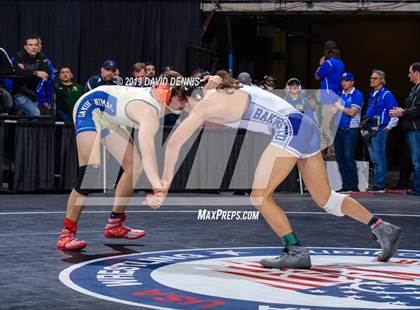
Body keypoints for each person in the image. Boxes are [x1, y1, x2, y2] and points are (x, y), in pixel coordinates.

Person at [145, 75, 401, 269]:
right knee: (325, 198)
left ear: (180, 99)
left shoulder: (205, 102)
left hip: (289, 129)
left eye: (175, 109)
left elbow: (176, 142)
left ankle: (295, 250)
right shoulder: (218, 88)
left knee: (259, 196)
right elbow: (213, 83)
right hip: (304, 126)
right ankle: (381, 227)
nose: (180, 113)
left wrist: (164, 183)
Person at [56, 71, 222, 251]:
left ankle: (115, 223)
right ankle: (66, 234)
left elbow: (192, 97)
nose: (185, 102)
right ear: (168, 96)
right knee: (89, 174)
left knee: (134, 166)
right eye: (182, 98)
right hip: (90, 107)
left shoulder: (172, 96)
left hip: (109, 115)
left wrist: (209, 84)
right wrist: (157, 186)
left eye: (186, 97)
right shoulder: (148, 113)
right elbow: (149, 153)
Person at [365, 69, 399, 193]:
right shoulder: (372, 95)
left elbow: (394, 111)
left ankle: (379, 185)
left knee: (379, 158)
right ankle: (377, 183)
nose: (371, 80)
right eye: (371, 78)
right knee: (374, 159)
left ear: (382, 81)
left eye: (374, 78)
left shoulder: (386, 94)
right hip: (371, 129)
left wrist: (389, 127)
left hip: (380, 129)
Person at [390, 62, 420, 196]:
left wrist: (402, 112)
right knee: (414, 160)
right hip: (410, 130)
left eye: (410, 72)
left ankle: (418, 189)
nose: (408, 75)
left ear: (416, 72)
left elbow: (417, 110)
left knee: (416, 161)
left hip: (416, 130)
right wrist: (401, 111)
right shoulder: (414, 89)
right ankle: (416, 187)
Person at [333, 73, 364, 192]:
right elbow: (334, 110)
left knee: (348, 157)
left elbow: (352, 112)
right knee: (340, 158)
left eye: (346, 81)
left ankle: (354, 186)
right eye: (342, 80)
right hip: (339, 129)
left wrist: (340, 107)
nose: (343, 83)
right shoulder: (340, 94)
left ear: (352, 82)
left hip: (351, 129)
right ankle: (346, 185)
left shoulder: (357, 94)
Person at [12, 35, 50, 116]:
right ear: (25, 47)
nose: (34, 47)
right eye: (30, 45)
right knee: (36, 113)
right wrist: (36, 73)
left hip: (33, 95)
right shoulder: (19, 56)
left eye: (36, 45)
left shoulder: (42, 57)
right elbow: (18, 72)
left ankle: (18, 113)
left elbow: (46, 73)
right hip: (19, 93)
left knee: (37, 117)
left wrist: (25, 68)